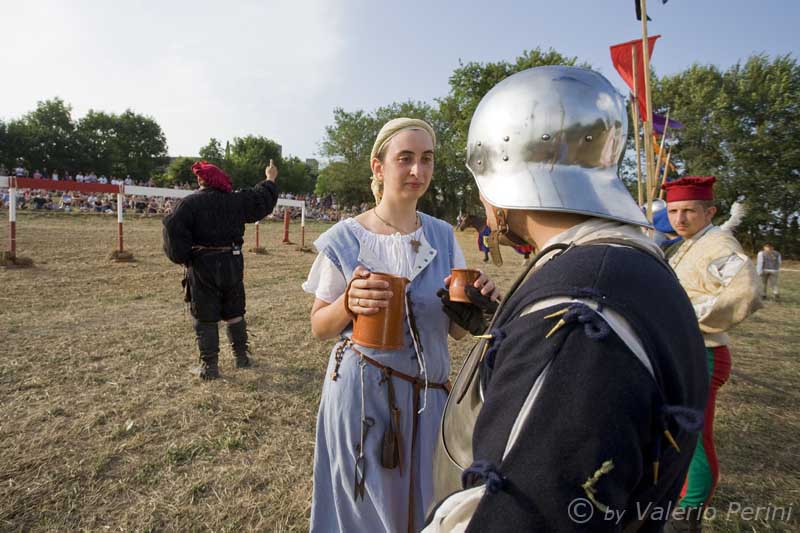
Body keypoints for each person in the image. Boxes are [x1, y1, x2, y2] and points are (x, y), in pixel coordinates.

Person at [426, 66, 709, 532]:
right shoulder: (622, 263)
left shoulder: (580, 314)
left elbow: (521, 511)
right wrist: (501, 326)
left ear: (502, 172)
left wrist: (541, 340)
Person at [305, 118, 499, 533]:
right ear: (378, 167)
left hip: (429, 400)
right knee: (368, 513)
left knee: (429, 507)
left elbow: (458, 333)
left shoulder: (443, 237)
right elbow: (320, 326)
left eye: (426, 159)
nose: (418, 170)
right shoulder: (346, 237)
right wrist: (347, 302)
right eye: (405, 159)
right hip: (363, 401)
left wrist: (477, 302)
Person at [662, 176, 761, 531]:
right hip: (680, 351)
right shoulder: (686, 243)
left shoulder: (718, 243)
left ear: (710, 212)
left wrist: (690, 318)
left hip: (703, 353)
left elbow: (746, 290)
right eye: (673, 210)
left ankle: (689, 512)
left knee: (695, 434)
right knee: (673, 429)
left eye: (689, 210)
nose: (680, 218)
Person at [162, 160, 279, 380]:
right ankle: (241, 358)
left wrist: (185, 257)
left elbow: (172, 228)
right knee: (234, 310)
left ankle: (210, 367)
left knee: (206, 315)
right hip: (232, 263)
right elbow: (260, 198)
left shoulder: (188, 204)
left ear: (200, 180)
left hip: (203, 265)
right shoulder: (236, 201)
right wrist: (270, 178)